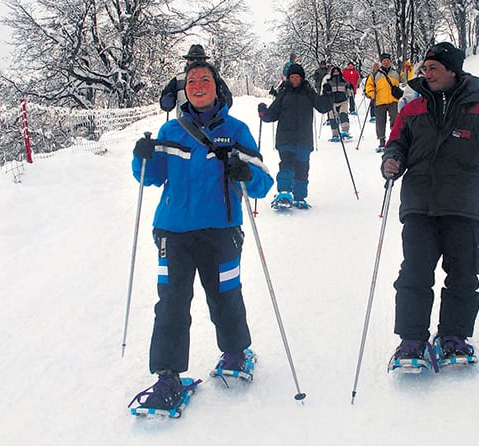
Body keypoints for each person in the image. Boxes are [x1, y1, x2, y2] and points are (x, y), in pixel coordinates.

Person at [130, 60, 274, 410]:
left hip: (220, 231)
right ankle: (167, 376)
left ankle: (236, 353)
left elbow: (262, 183)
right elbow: (149, 176)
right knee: (172, 303)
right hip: (173, 232)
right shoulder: (170, 132)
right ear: (185, 89)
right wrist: (141, 157)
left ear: (216, 86)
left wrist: (243, 171)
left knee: (225, 295)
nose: (197, 85)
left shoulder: (236, 130)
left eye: (204, 79)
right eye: (191, 80)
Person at [380, 42, 479, 371]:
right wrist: (392, 160)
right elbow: (396, 142)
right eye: (425, 69)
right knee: (414, 272)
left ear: (452, 71)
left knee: (463, 274)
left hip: (464, 204)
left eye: (433, 69)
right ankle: (412, 340)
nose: (426, 74)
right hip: (419, 203)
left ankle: (453, 336)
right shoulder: (411, 108)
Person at [257, 63, 333, 209]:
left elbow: (323, 107)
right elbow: (272, 114)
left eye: (297, 76)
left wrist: (328, 96)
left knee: (302, 167)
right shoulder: (284, 93)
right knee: (287, 163)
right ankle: (284, 192)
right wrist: (263, 113)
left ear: (302, 77)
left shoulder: (308, 92)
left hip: (304, 138)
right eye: (292, 77)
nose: (294, 79)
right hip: (286, 137)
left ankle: (299, 196)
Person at [160, 44, 233, 116]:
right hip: (185, 125)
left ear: (204, 60)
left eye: (199, 59)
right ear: (187, 61)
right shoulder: (178, 79)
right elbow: (166, 106)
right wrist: (166, 101)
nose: (195, 61)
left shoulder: (214, 78)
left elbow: (228, 102)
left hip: (211, 124)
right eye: (192, 59)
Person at [365, 53, 403, 152]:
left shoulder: (396, 73)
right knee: (380, 122)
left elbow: (406, 79)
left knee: (395, 121)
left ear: (390, 62)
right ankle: (382, 142)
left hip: (393, 100)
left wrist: (409, 69)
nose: (386, 62)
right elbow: (369, 85)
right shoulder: (375, 74)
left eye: (387, 60)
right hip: (379, 101)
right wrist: (371, 93)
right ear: (381, 62)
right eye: (384, 61)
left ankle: (395, 140)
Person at [321, 66, 354, 142]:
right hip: (332, 102)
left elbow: (349, 90)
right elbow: (325, 92)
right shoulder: (329, 82)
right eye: (334, 71)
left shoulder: (344, 82)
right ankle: (335, 134)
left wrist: (350, 87)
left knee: (343, 114)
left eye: (337, 71)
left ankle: (345, 130)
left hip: (343, 101)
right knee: (332, 118)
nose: (336, 73)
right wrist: (325, 90)